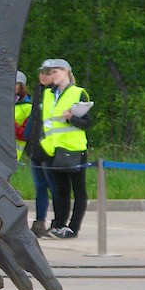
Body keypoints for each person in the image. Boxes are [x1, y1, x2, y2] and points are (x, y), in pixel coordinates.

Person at [38, 58, 92, 239]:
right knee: (60, 191)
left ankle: (73, 227)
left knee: (78, 190)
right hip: (54, 148)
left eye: (56, 72)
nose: (53, 75)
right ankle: (59, 224)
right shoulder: (48, 95)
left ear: (66, 72)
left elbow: (87, 123)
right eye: (51, 72)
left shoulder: (78, 93)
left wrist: (71, 118)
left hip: (74, 148)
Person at [23, 65, 58, 237]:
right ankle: (39, 222)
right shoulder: (38, 91)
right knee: (40, 188)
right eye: (42, 73)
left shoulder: (56, 93)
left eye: (48, 73)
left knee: (54, 186)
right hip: (35, 147)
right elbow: (35, 117)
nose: (44, 76)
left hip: (49, 147)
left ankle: (59, 222)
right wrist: (27, 135)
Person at [14, 70, 32, 162]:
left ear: (21, 86)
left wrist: (8, 123)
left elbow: (25, 134)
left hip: (11, 153)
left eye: (16, 83)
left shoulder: (28, 107)